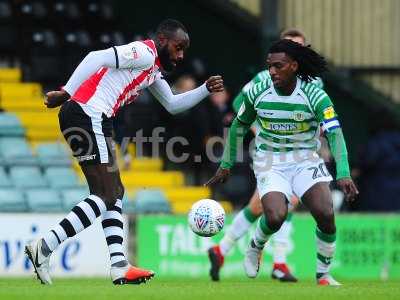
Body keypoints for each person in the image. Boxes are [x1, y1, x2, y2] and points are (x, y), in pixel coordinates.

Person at [25, 19, 224, 285]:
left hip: (94, 117)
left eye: (183, 51)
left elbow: (173, 104)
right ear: (163, 41)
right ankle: (45, 246)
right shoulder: (143, 53)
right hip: (87, 112)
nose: (180, 56)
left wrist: (204, 90)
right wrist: (66, 91)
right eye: (178, 48)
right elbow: (96, 57)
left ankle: (119, 264)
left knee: (114, 192)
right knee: (106, 194)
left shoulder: (153, 72)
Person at [206, 39, 358, 286]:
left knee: (326, 213)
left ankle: (323, 275)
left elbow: (335, 133)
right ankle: (255, 245)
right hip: (270, 160)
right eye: (270, 66)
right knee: (275, 216)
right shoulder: (259, 90)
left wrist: (343, 172)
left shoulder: (315, 94)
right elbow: (238, 125)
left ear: (295, 66)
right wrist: (226, 164)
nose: (272, 71)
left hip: (305, 159)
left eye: (278, 66)